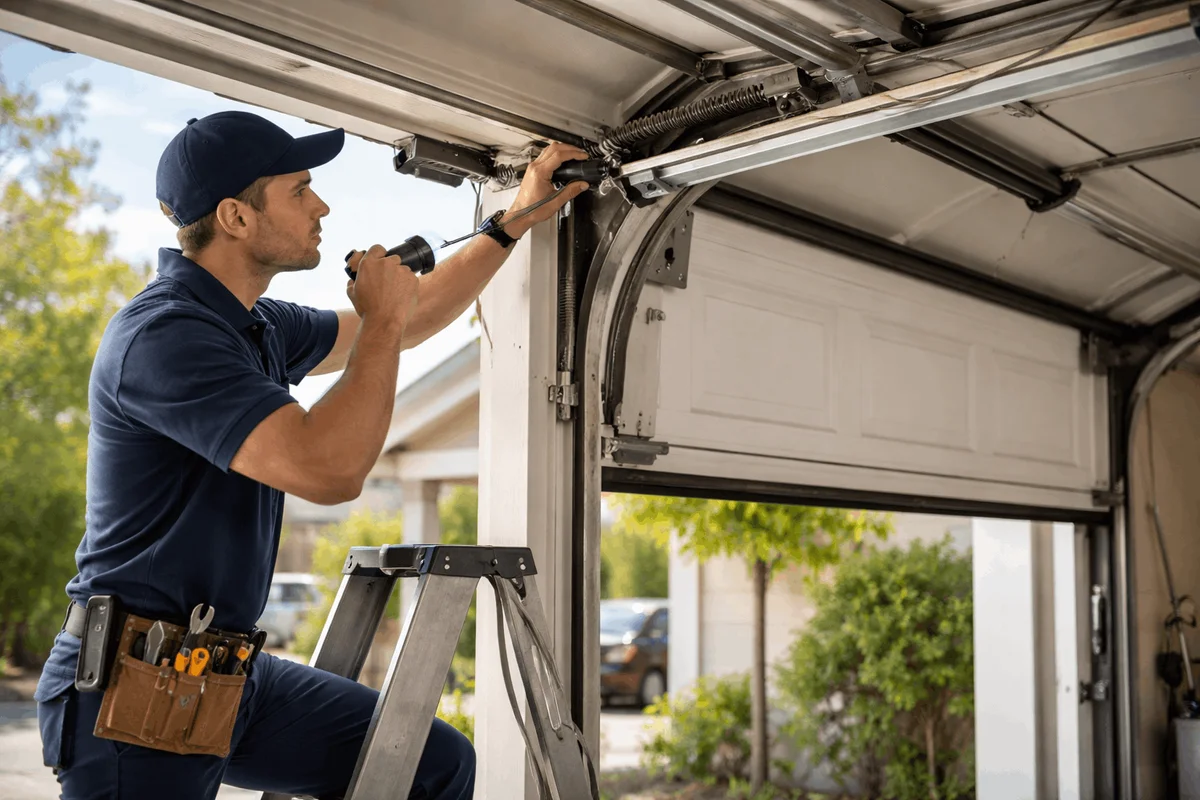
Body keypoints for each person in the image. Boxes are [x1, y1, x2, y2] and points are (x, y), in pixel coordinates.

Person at [33, 110, 589, 800]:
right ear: (235, 217)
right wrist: (384, 321)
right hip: (133, 686)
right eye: (299, 190)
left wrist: (509, 225)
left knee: (429, 763)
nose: (322, 204)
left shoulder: (257, 325)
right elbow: (328, 470)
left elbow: (410, 319)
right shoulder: (165, 334)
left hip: (222, 668)